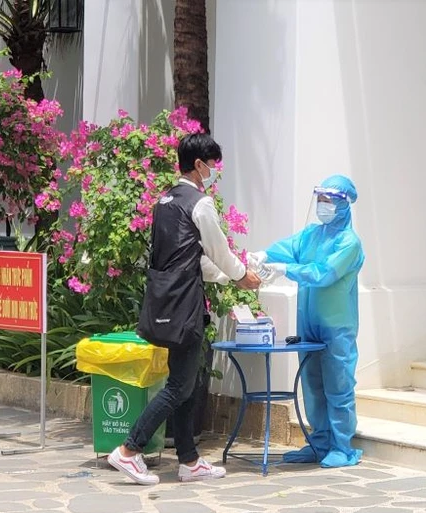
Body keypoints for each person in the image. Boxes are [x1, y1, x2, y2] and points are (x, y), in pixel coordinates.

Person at [108, 133, 262, 485]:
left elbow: (187, 258)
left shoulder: (164, 201)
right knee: (179, 386)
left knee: (185, 383)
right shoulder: (199, 203)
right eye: (212, 165)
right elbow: (218, 250)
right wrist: (241, 275)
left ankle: (189, 461)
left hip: (166, 300)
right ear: (198, 165)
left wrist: (226, 276)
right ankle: (129, 450)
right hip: (185, 304)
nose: (214, 171)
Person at [250, 175, 365, 468]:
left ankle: (342, 447)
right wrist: (264, 254)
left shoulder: (349, 243)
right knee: (312, 385)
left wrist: (285, 269)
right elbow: (289, 247)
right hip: (309, 323)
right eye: (320, 199)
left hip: (336, 325)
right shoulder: (312, 234)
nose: (322, 205)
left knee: (338, 385)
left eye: (329, 200)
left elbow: (323, 273)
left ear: (344, 204)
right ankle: (319, 443)